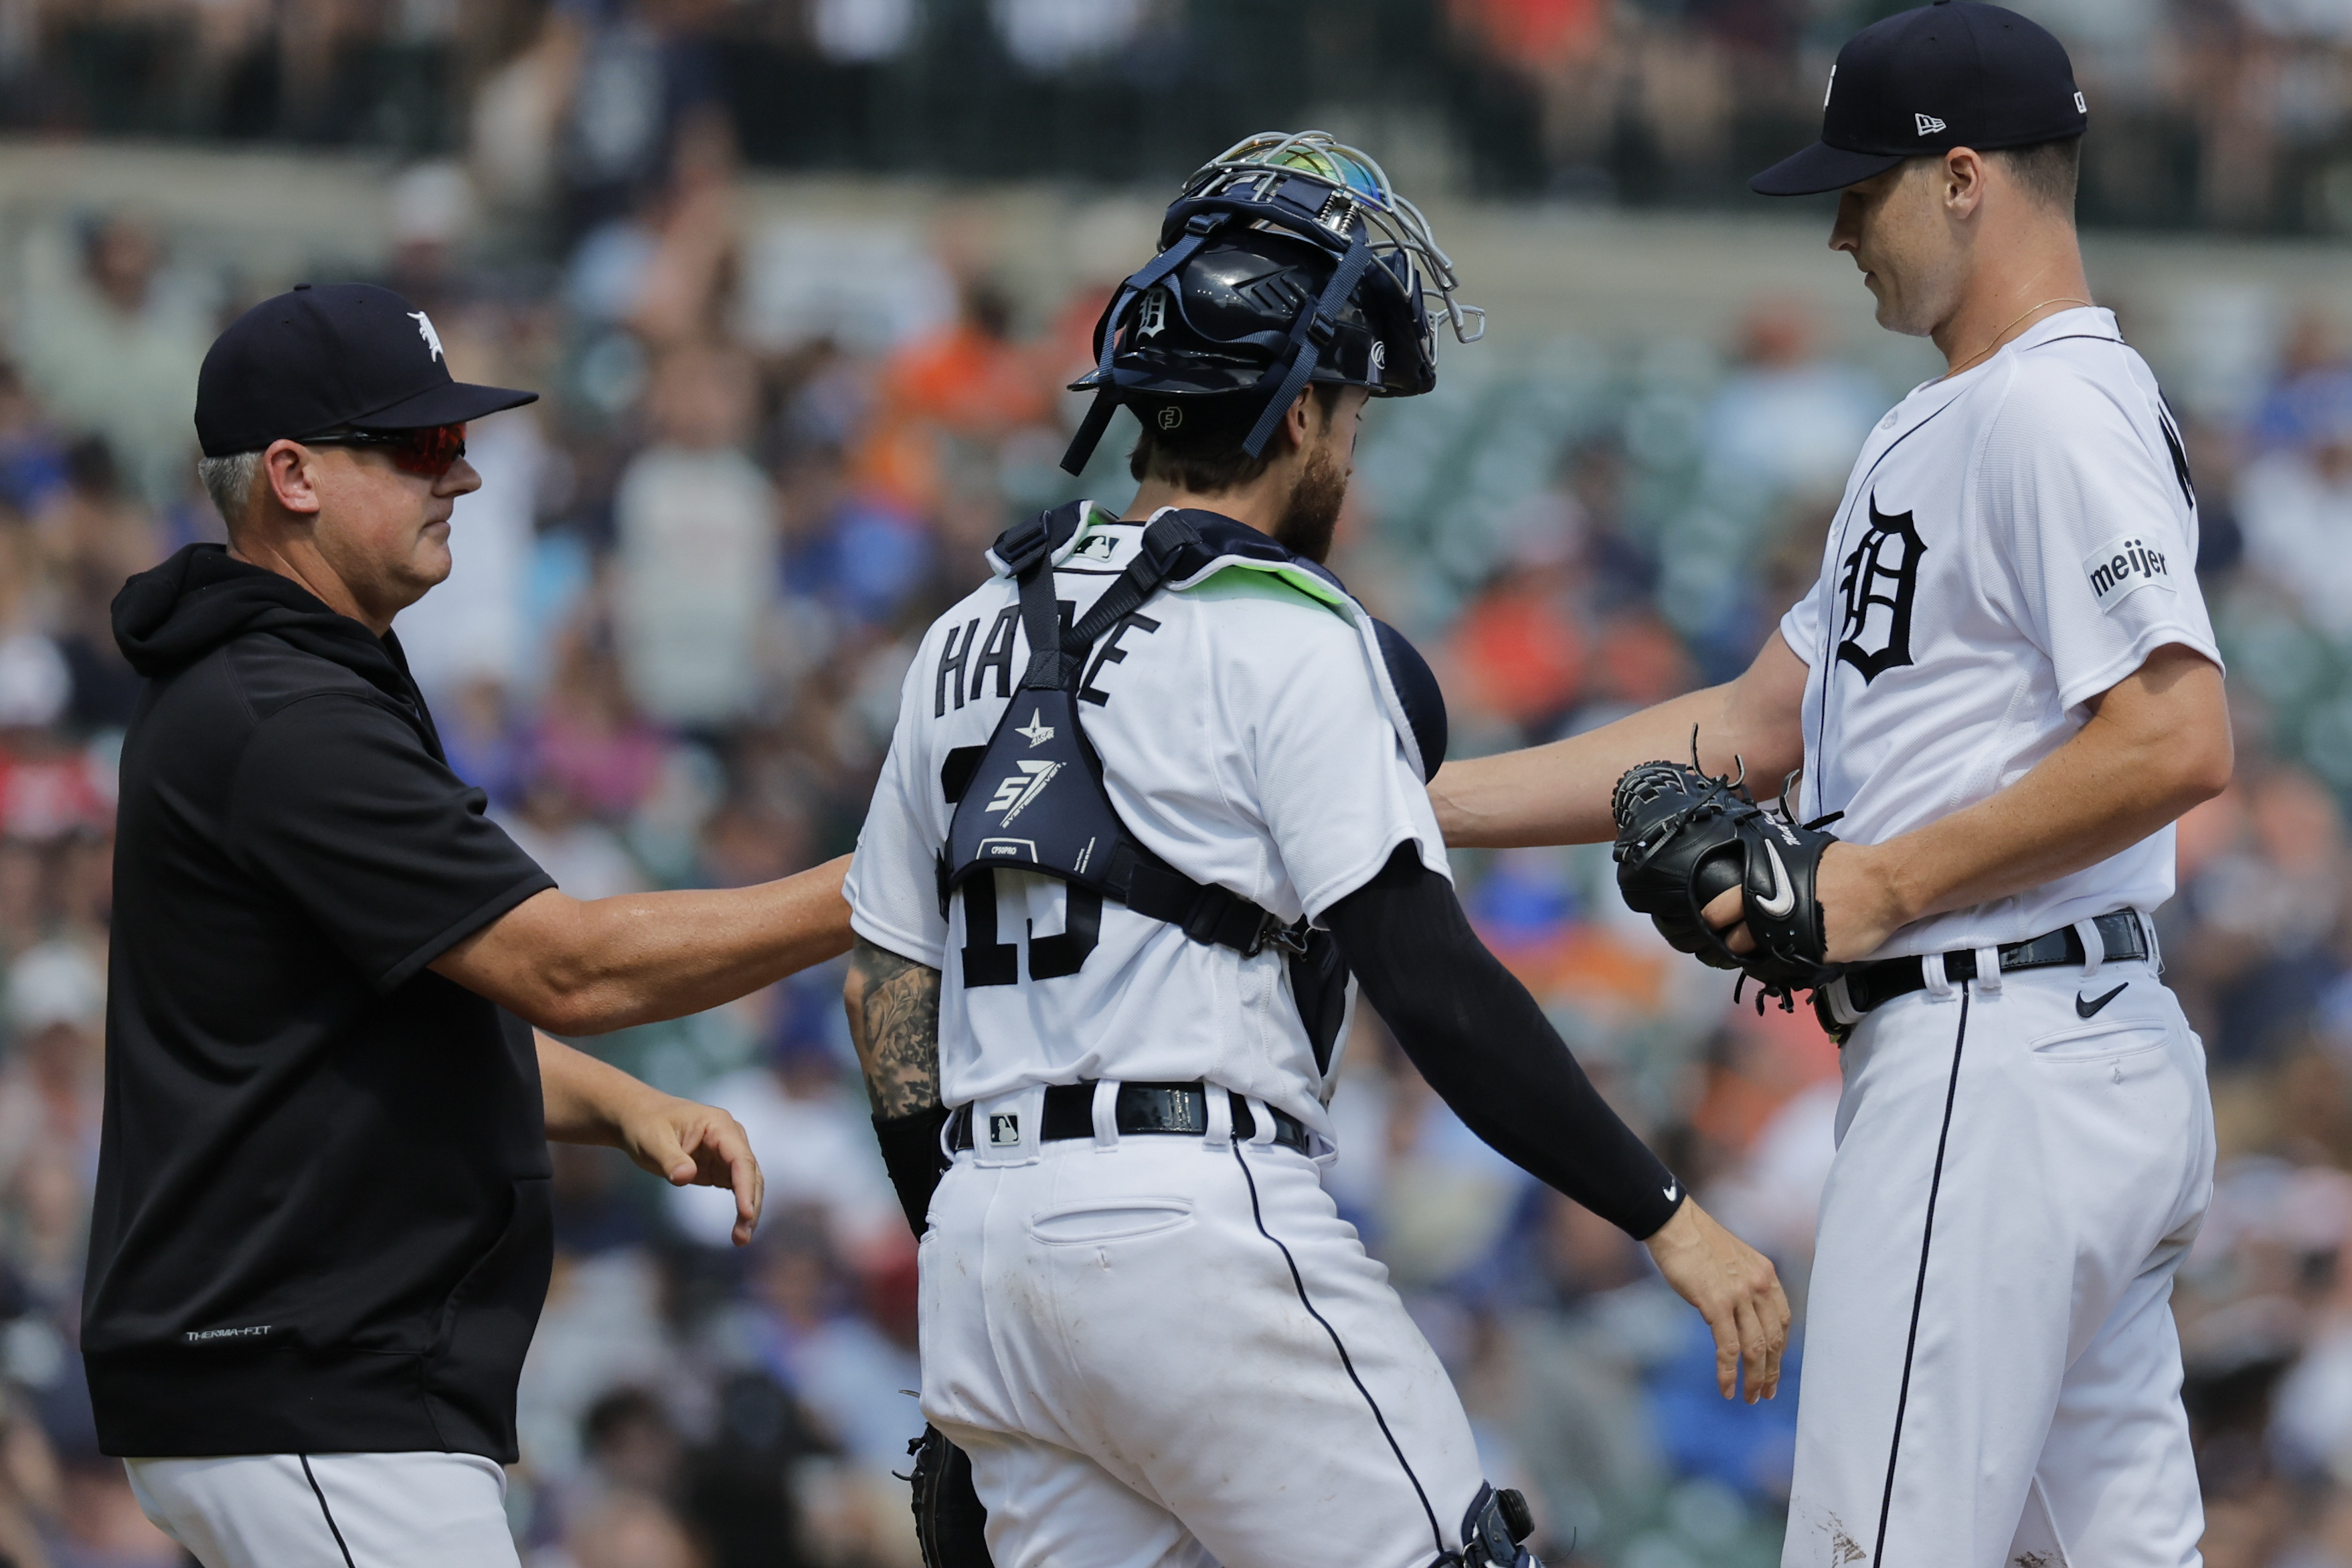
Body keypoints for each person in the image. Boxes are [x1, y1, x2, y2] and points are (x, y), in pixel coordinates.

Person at [840, 133, 1787, 1568]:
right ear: (1297, 420)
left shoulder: (966, 633)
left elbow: (881, 996)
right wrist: (1663, 1214)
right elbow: (1431, 982)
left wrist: (985, 1239)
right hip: (1192, 1223)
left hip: (981, 1245)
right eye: (1349, 411)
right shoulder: (1293, 628)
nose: (1351, 443)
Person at [1430, 10, 2230, 1566]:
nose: (1836, 232)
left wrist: (1877, 882)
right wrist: (1420, 802)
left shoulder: (2047, 406)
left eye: (1857, 192)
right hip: (2050, 1049)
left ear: (1958, 179)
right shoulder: (1946, 419)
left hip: (1993, 1056)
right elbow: (1752, 722)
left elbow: (2174, 739)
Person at [84, 282, 855, 1568]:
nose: (465, 477)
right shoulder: (287, 716)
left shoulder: (290, 681)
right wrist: (878, 880)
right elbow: (568, 966)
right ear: (292, 475)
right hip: (306, 1385)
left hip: (305, 1379)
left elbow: (381, 1017)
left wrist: (619, 1106)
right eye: (417, 446)